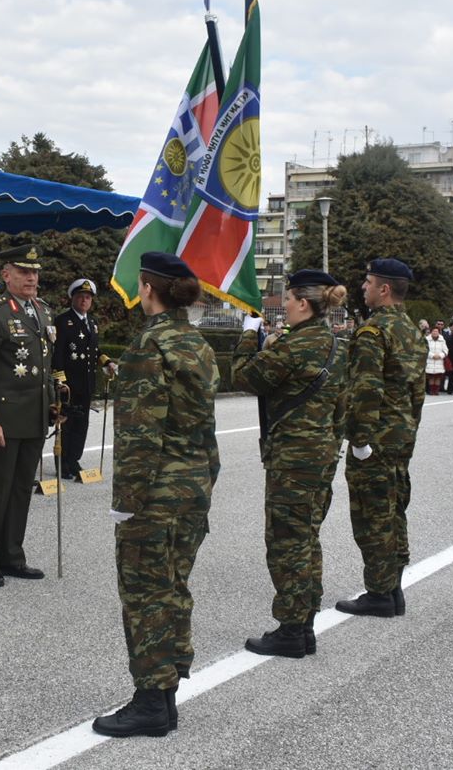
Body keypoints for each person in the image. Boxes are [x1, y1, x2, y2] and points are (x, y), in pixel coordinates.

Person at [92, 252, 219, 738]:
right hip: (192, 487)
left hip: (157, 492)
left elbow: (140, 434)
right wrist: (207, 478)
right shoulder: (197, 343)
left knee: (145, 594)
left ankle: (150, 702)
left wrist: (125, 498)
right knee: (174, 588)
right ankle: (165, 696)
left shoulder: (150, 345)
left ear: (147, 289)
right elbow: (205, 426)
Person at [232, 269, 345, 659]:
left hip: (293, 460)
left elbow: (244, 376)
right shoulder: (336, 344)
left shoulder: (294, 346)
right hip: (323, 456)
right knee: (308, 539)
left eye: (288, 297)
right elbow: (344, 407)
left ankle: (292, 630)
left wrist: (249, 332)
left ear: (302, 302)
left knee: (286, 543)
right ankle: (304, 623)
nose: (284, 304)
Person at [336, 258, 426, 618]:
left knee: (372, 515)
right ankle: (393, 590)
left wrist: (359, 440)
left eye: (369, 282)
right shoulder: (412, 331)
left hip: (375, 438)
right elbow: (417, 393)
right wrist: (409, 430)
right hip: (401, 434)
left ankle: (379, 593)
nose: (364, 287)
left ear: (384, 289)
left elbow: (364, 390)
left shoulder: (374, 332)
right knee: (393, 510)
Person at [0, 243, 58, 587]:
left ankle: (13, 555)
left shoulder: (43, 312)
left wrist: (52, 403)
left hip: (34, 419)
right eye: (23, 272)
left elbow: (45, 367)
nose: (31, 277)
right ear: (6, 275)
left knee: (21, 489)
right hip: (3, 420)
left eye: (35, 272)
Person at [51, 277, 108, 479]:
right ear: (72, 298)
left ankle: (74, 459)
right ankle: (63, 462)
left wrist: (107, 362)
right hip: (69, 385)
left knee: (82, 424)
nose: (84, 301)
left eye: (88, 297)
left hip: (86, 383)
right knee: (67, 423)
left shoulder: (91, 323)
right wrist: (60, 381)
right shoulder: (63, 321)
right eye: (81, 297)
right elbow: (57, 355)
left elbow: (94, 349)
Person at [425, 326, 448, 395]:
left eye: (436, 331)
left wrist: (440, 355)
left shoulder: (442, 340)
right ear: (431, 332)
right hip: (430, 360)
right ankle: (431, 390)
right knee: (431, 377)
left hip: (439, 361)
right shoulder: (426, 339)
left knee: (438, 377)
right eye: (434, 331)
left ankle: (436, 391)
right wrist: (432, 355)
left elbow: (446, 350)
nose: (435, 333)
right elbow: (425, 349)